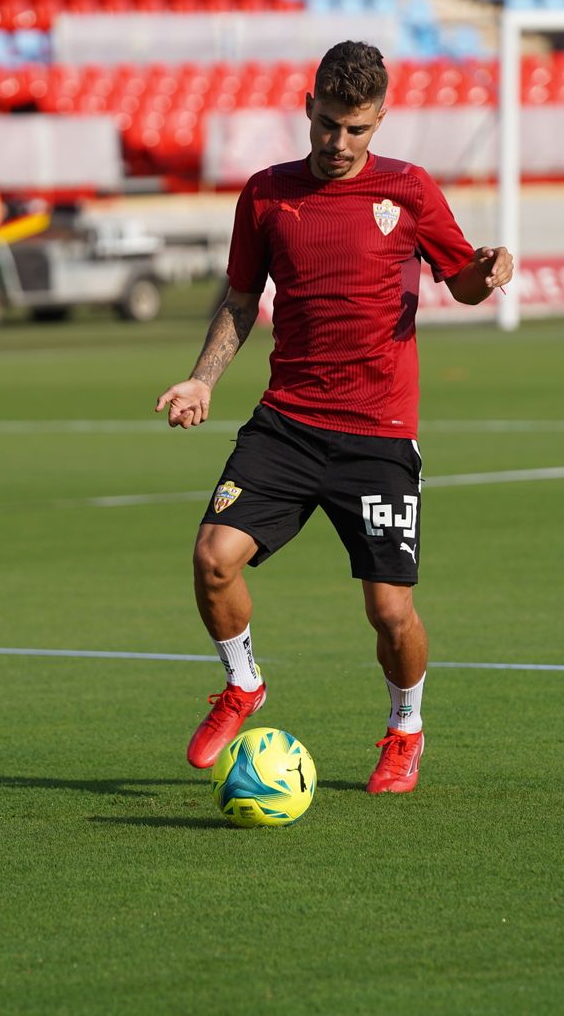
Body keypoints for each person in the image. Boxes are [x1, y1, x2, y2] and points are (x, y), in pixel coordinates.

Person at [153, 41, 514, 794]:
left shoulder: (410, 190)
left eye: (355, 130)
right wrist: (202, 379)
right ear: (308, 107)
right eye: (326, 125)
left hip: (377, 436)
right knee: (212, 557)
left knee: (389, 611)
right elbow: (240, 298)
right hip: (286, 423)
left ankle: (405, 731)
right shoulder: (264, 194)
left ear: (379, 118)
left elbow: (466, 285)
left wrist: (485, 271)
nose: (338, 145)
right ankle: (243, 685)